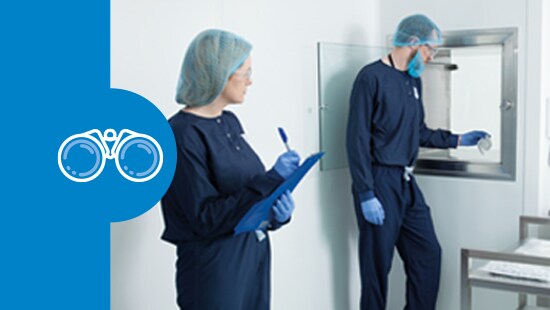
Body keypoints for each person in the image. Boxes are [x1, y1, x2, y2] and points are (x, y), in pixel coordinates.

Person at [346, 14, 490, 310]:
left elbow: (419, 131)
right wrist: (365, 192)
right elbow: (356, 140)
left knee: (428, 255)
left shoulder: (413, 81)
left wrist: (460, 139)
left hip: (406, 183)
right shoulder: (370, 78)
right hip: (379, 182)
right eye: (430, 49)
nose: (431, 56)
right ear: (413, 42)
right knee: (376, 271)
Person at [160, 29, 300, 310]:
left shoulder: (230, 123)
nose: (251, 80)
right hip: (214, 267)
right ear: (220, 73)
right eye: (245, 72)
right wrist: (271, 179)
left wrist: (275, 215)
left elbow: (243, 194)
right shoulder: (180, 135)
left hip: (252, 254)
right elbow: (205, 218)